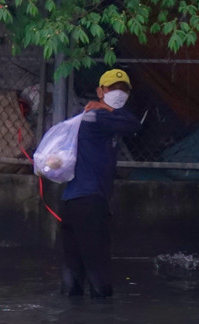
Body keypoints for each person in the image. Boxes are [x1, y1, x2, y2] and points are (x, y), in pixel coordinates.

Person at [60, 68, 142, 298]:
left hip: (71, 202)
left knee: (72, 276)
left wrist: (106, 108)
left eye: (123, 89)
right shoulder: (97, 117)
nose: (118, 93)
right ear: (100, 92)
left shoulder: (104, 119)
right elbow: (133, 124)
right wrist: (106, 107)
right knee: (99, 277)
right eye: (112, 88)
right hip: (90, 203)